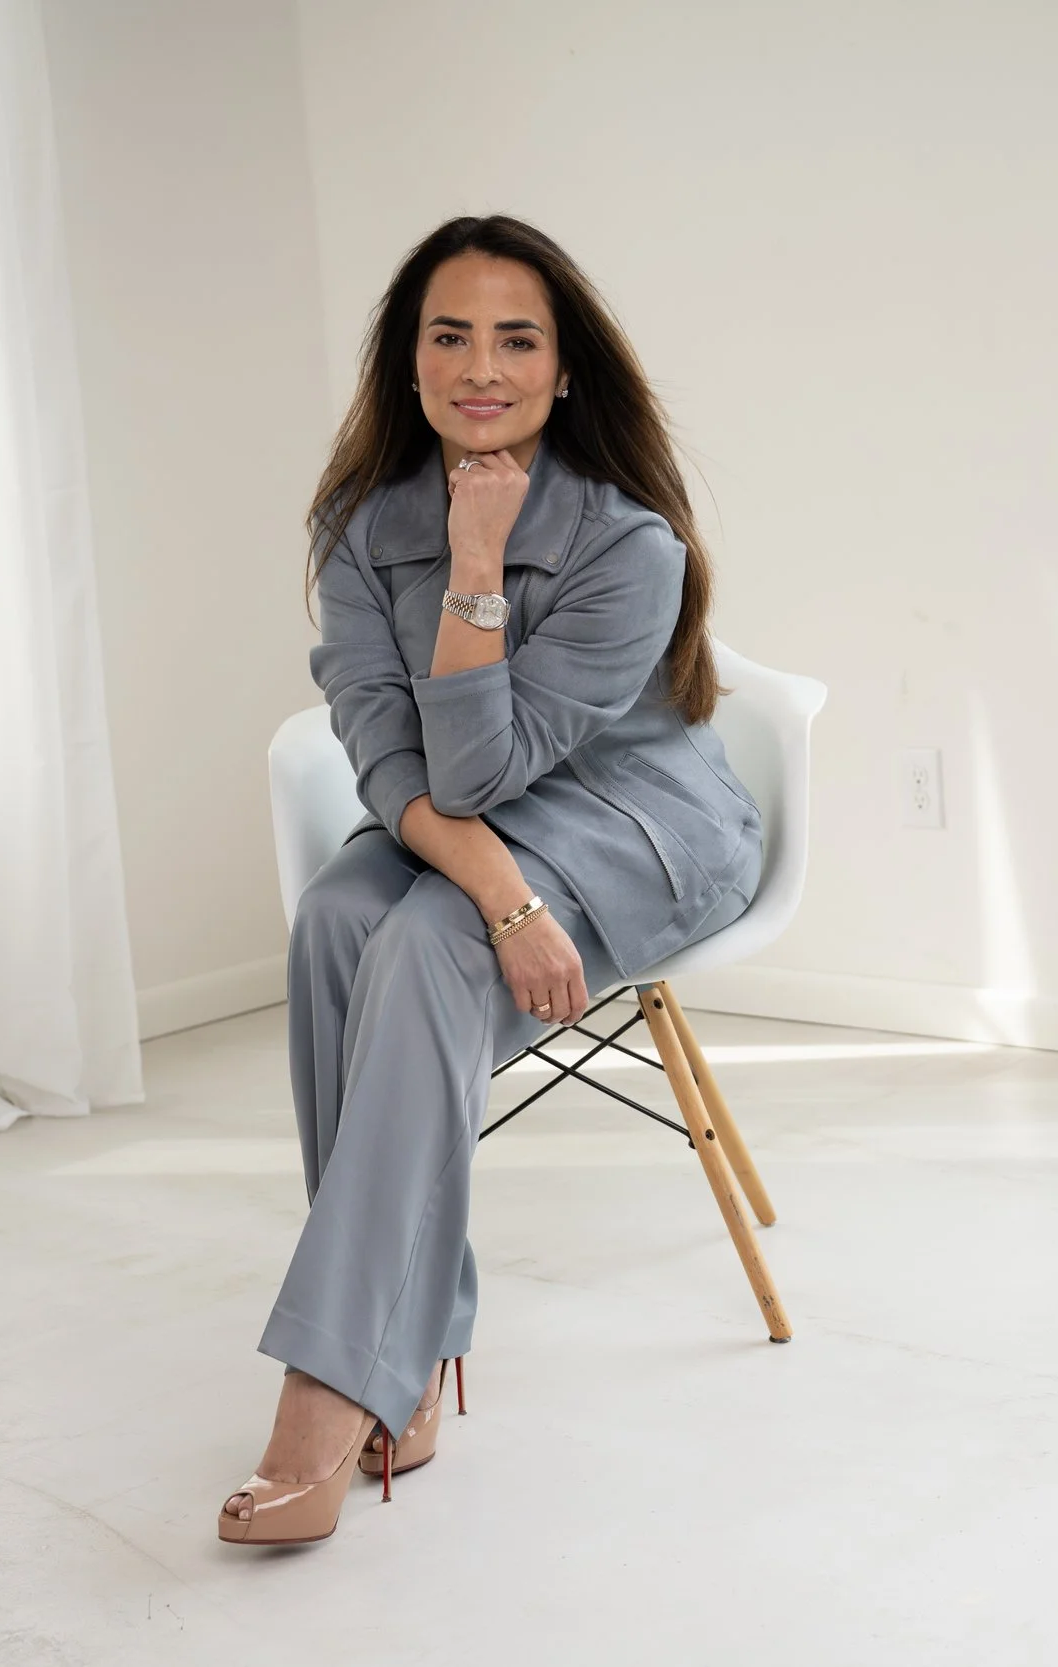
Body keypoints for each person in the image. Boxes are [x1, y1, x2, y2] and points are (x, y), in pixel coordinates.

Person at [217, 216, 762, 1546]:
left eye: (517, 338)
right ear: (409, 361)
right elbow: (388, 754)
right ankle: (399, 1346)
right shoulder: (359, 525)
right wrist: (509, 901)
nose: (481, 367)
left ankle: (334, 1388)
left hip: (641, 823)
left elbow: (482, 766)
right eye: (447, 334)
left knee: (430, 945)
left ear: (565, 368)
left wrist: (476, 568)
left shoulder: (627, 541)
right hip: (476, 835)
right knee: (341, 919)